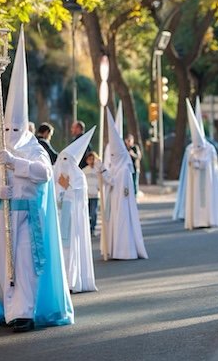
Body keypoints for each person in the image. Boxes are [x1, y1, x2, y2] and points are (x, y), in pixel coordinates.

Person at [0, 30, 73, 332]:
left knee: (24, 265)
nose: (10, 134)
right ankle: (7, 306)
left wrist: (17, 164)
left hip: (26, 219)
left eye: (15, 129)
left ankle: (22, 312)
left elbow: (45, 173)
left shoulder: (33, 148)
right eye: (7, 129)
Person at [98, 108, 148, 260]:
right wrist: (102, 172)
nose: (112, 158)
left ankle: (124, 251)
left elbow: (117, 184)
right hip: (114, 203)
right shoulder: (115, 167)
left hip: (123, 205)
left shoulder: (125, 169)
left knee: (122, 226)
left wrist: (104, 172)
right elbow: (110, 181)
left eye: (114, 155)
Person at [53, 127, 97, 293]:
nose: (63, 162)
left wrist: (68, 186)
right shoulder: (56, 173)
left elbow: (80, 197)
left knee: (70, 249)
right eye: (61, 158)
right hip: (58, 217)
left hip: (72, 219)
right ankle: (59, 280)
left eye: (66, 159)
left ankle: (71, 280)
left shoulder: (79, 176)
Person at [173, 99, 218, 229]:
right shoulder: (190, 150)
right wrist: (193, 162)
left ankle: (208, 219)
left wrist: (199, 163)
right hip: (195, 181)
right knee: (196, 200)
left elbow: (210, 165)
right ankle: (196, 220)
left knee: (207, 198)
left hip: (207, 181)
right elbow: (188, 165)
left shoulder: (210, 149)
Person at [83, 151, 101, 235]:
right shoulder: (84, 170)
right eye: (90, 159)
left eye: (93, 159)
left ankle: (92, 228)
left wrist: (99, 188)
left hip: (95, 195)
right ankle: (87, 228)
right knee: (87, 213)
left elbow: (100, 181)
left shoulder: (98, 171)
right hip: (87, 195)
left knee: (93, 212)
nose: (91, 161)